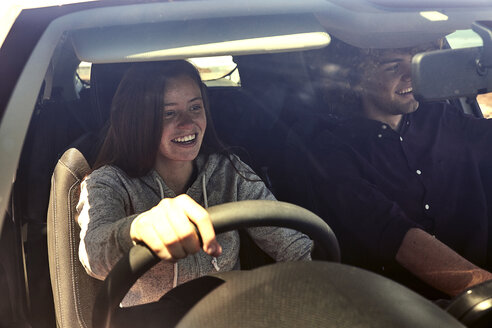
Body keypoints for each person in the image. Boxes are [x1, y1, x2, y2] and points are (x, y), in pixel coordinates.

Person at [76, 60, 312, 311]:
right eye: (169, 113)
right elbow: (94, 253)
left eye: (195, 107)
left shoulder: (228, 170)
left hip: (232, 316)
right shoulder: (109, 182)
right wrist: (137, 229)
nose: (188, 124)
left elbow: (293, 246)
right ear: (139, 120)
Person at [287, 40, 492, 300]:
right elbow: (395, 234)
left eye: (415, 63)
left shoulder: (441, 116)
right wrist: (483, 289)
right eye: (393, 66)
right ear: (357, 77)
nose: (410, 75)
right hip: (403, 308)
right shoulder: (333, 152)